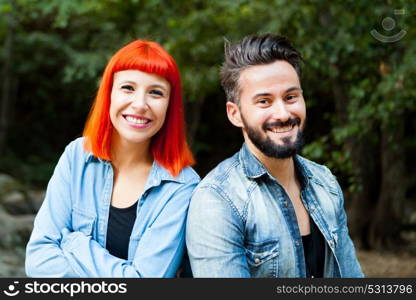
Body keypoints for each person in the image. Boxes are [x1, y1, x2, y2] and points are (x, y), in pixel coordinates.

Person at [186, 33, 363, 278]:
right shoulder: (217, 200)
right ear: (235, 114)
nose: (282, 113)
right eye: (264, 101)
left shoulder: (326, 184)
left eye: (291, 97)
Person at [25, 40, 200, 277]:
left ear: (170, 106)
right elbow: (38, 262)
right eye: (128, 88)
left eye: (156, 93)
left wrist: (75, 243)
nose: (140, 104)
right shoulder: (77, 157)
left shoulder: (182, 187)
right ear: (109, 94)